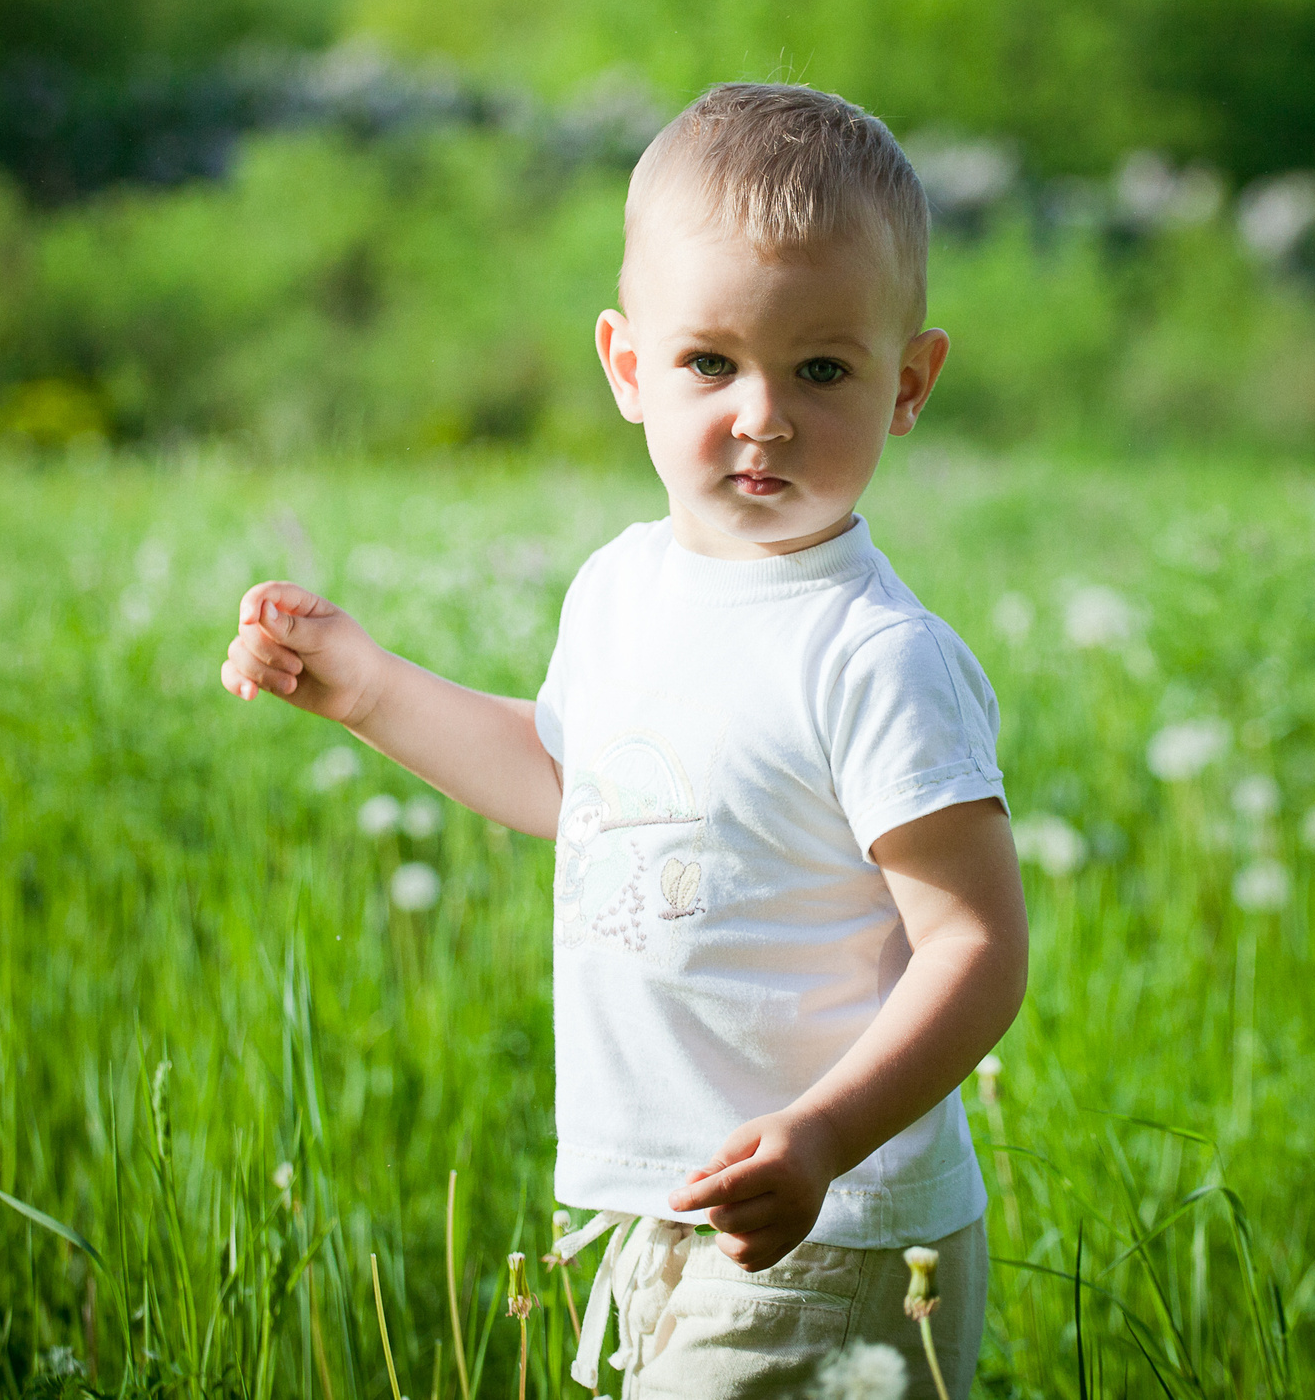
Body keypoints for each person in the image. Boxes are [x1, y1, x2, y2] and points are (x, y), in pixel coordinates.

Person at [220, 83, 1026, 1397]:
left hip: (837, 1229)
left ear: (909, 383)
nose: (763, 415)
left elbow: (977, 948)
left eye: (822, 369)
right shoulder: (621, 589)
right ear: (628, 366)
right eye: (713, 362)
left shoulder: (875, 656)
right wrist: (366, 690)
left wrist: (823, 1138)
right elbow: (575, 785)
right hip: (656, 1206)